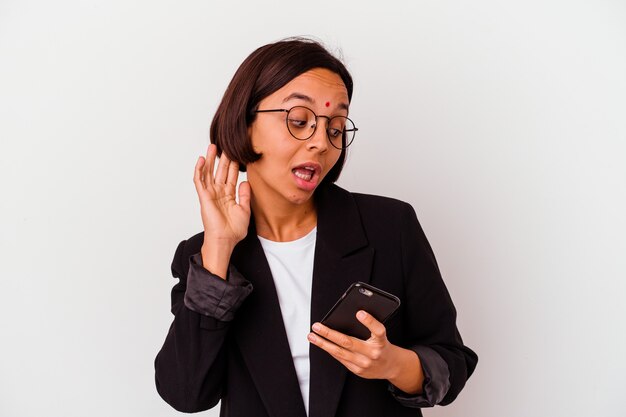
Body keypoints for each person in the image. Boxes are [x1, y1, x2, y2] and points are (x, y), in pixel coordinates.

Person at [154, 37, 477, 417]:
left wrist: (393, 364)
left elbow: (452, 362)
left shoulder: (391, 227)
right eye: (299, 121)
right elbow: (187, 394)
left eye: (336, 128)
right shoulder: (204, 256)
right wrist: (220, 249)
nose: (322, 143)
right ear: (245, 122)